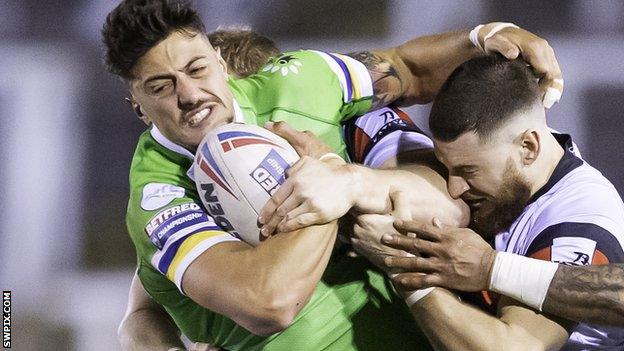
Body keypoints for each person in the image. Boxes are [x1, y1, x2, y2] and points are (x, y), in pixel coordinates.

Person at [103, 0, 562, 349]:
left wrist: (483, 35)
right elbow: (270, 302)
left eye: (197, 69)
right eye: (161, 87)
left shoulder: (302, 82)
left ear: (220, 65)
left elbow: (408, 70)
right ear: (137, 106)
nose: (189, 94)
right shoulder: (158, 197)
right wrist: (323, 179)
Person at [376, 55, 624, 349]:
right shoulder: (518, 150)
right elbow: (365, 82)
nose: (455, 188)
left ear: (529, 148)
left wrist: (410, 272)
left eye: (468, 172)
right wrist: (478, 38)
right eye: (449, 166)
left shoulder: (577, 228)